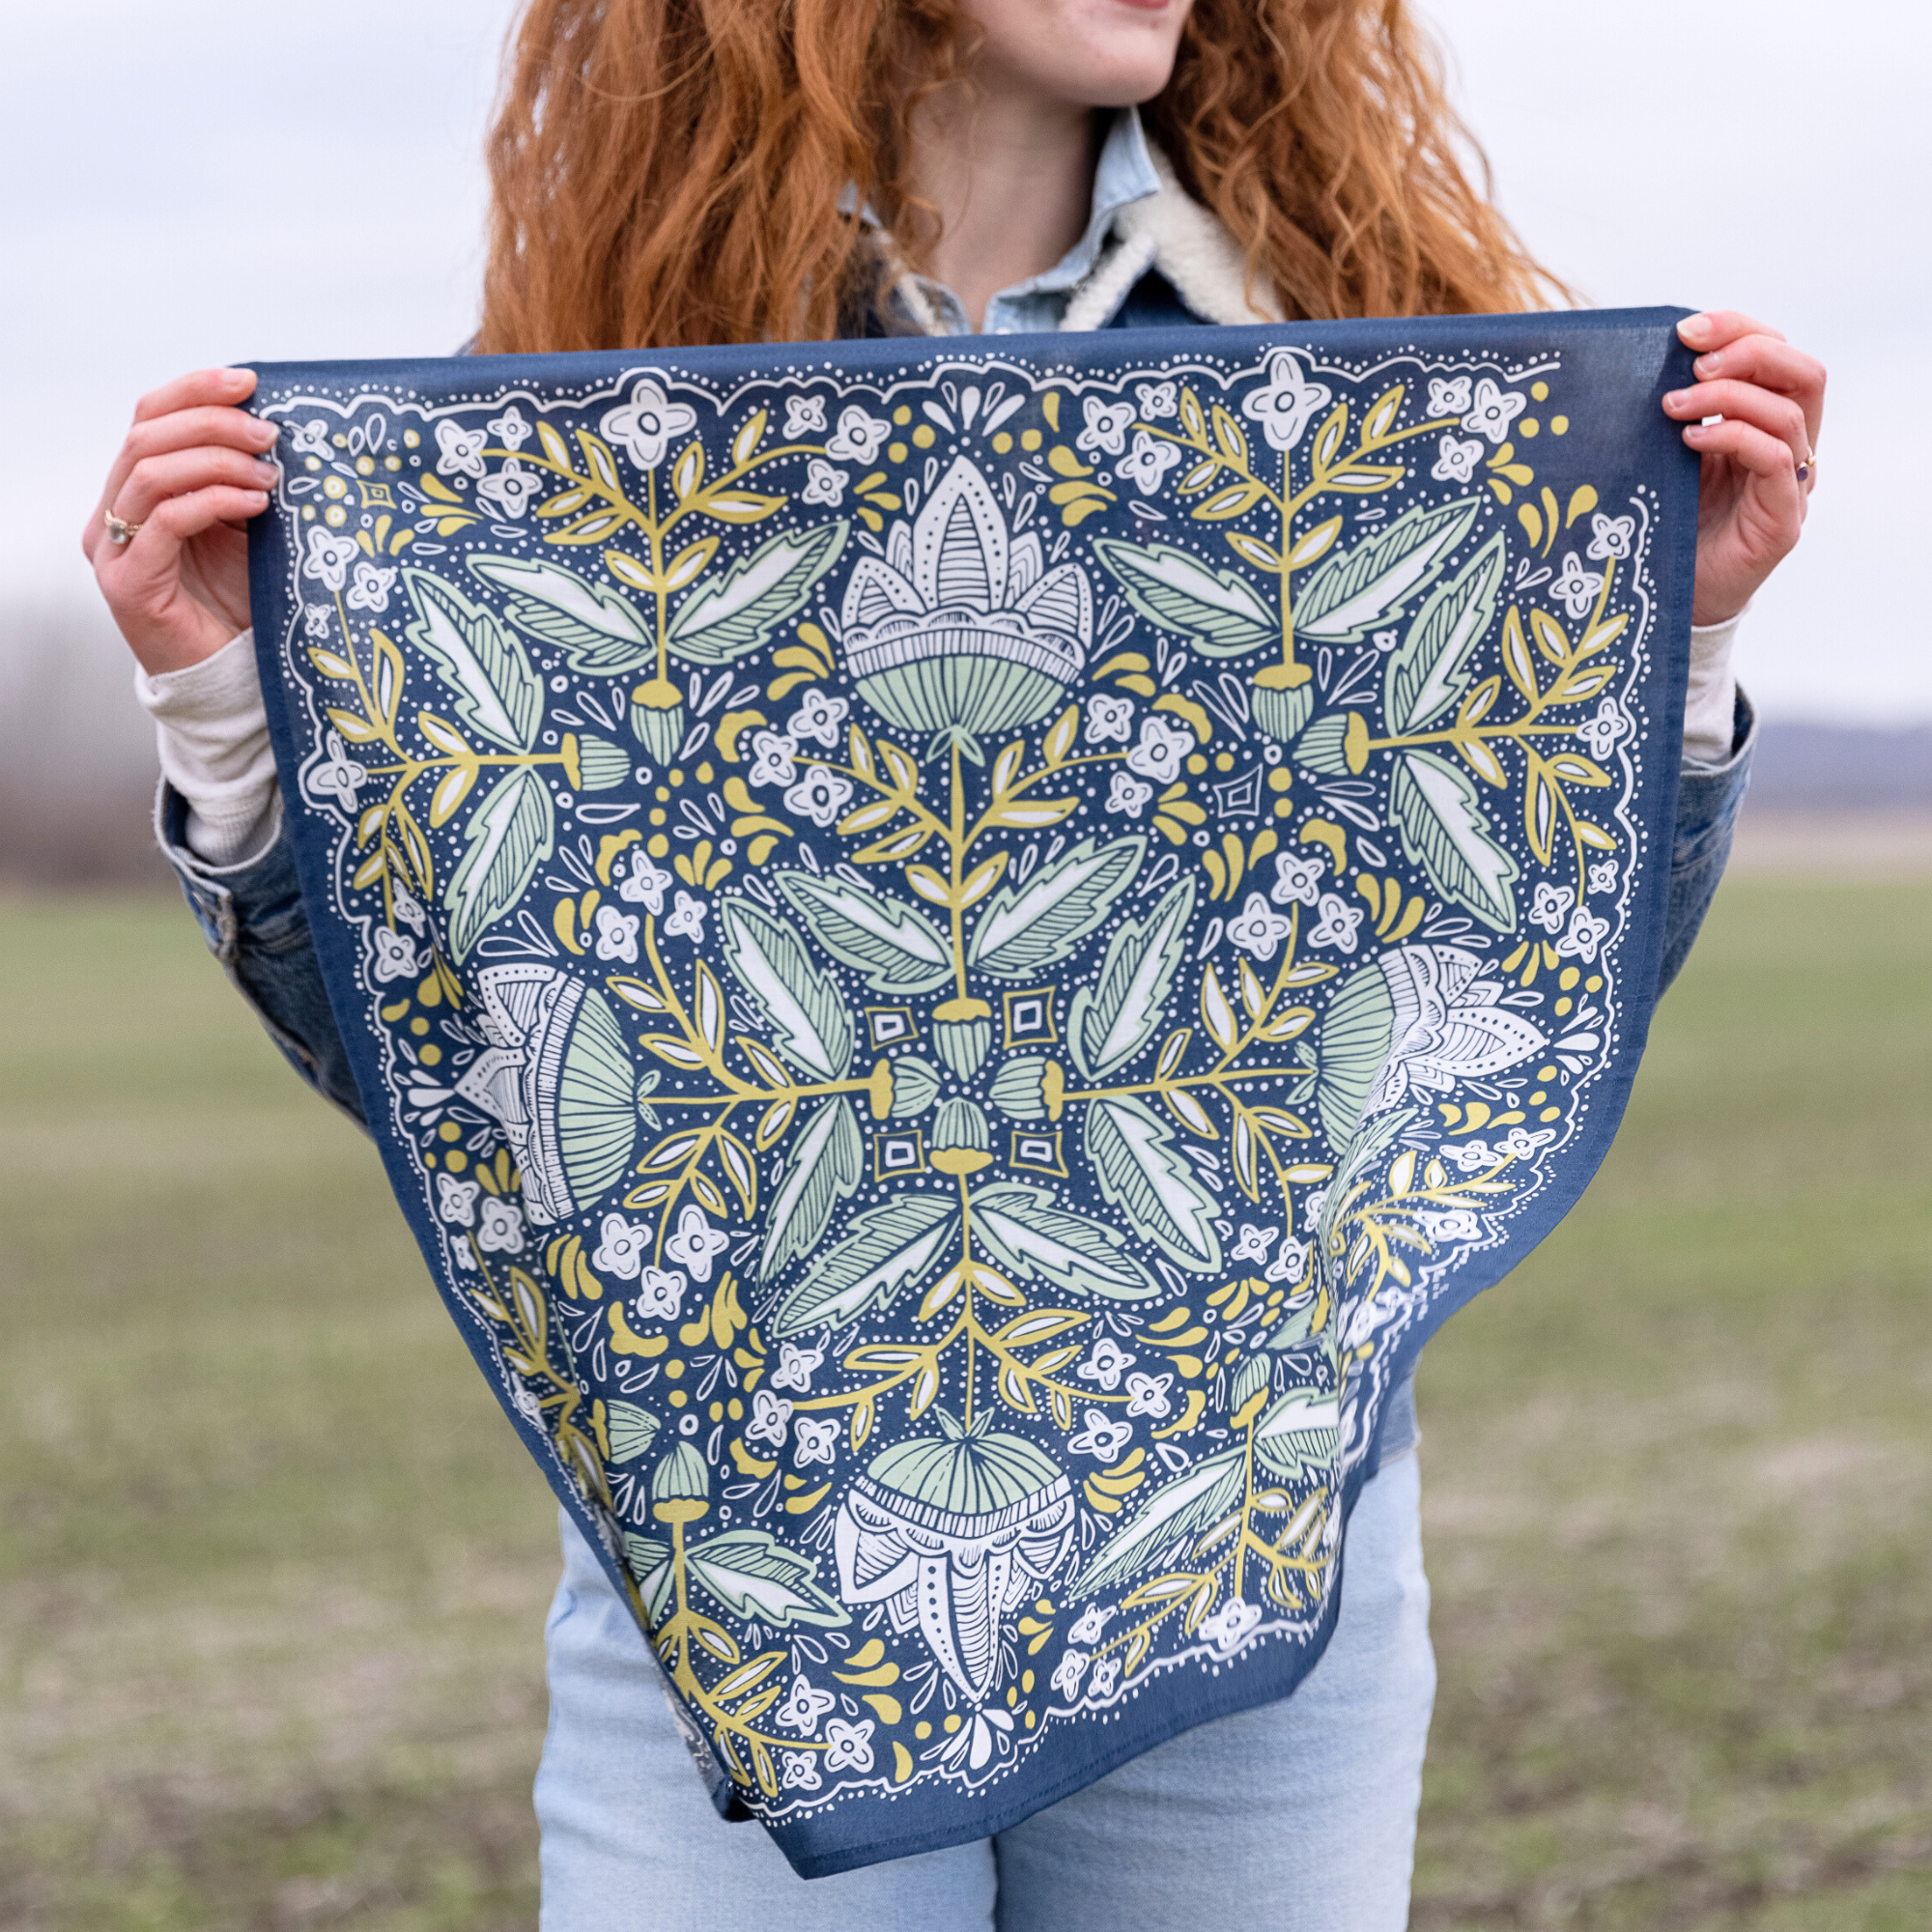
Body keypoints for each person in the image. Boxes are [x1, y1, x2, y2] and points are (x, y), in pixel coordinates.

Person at [84, 2, 1824, 1925]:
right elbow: (496, 1077)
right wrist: (228, 720)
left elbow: (1482, 1007)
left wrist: (1678, 654)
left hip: (1252, 1555)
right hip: (738, 1584)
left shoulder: (1355, 361)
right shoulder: (598, 413)